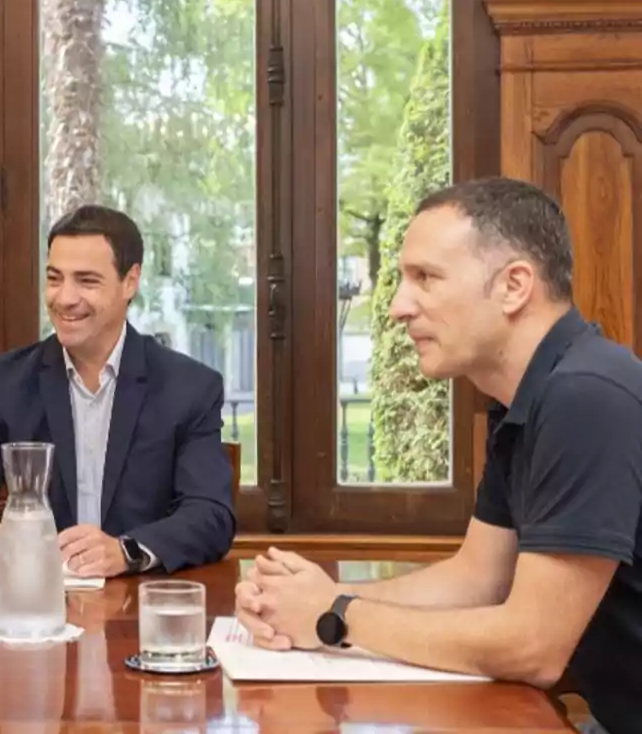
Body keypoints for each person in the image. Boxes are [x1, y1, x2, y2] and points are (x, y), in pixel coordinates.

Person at [234, 178, 640, 734]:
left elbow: (533, 647)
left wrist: (336, 617)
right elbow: (478, 579)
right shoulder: (527, 398)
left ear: (514, 286)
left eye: (425, 278)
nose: (399, 307)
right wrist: (317, 601)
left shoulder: (585, 395)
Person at [0, 204, 236, 577]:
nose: (64, 298)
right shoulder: (6, 383)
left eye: (86, 281)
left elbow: (210, 515)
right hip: (34, 604)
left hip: (136, 607)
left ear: (130, 282)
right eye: (55, 279)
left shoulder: (189, 388)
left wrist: (124, 551)